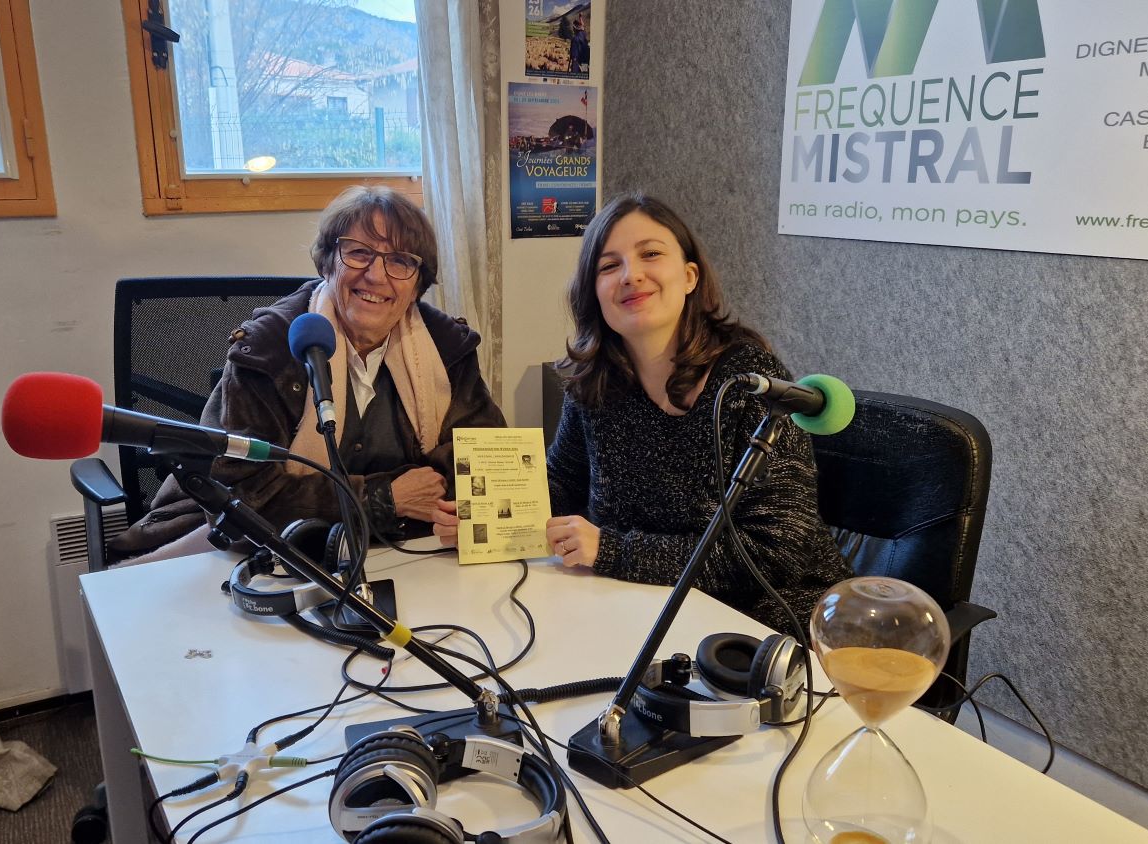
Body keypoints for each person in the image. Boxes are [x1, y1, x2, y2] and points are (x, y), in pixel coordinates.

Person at [110, 186, 506, 561]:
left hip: (399, 553)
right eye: (359, 253)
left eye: (400, 261)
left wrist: (452, 506)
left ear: (418, 283)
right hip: (250, 552)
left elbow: (487, 462)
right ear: (328, 261)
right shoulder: (268, 349)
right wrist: (384, 498)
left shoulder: (446, 347)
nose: (376, 276)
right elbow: (241, 499)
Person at [535, 193, 849, 630]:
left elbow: (776, 551)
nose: (631, 275)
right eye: (608, 266)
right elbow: (562, 483)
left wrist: (613, 551)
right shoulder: (595, 381)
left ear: (688, 276)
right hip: (640, 603)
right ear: (594, 292)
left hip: (769, 617)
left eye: (650, 254)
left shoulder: (749, 382)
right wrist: (486, 516)